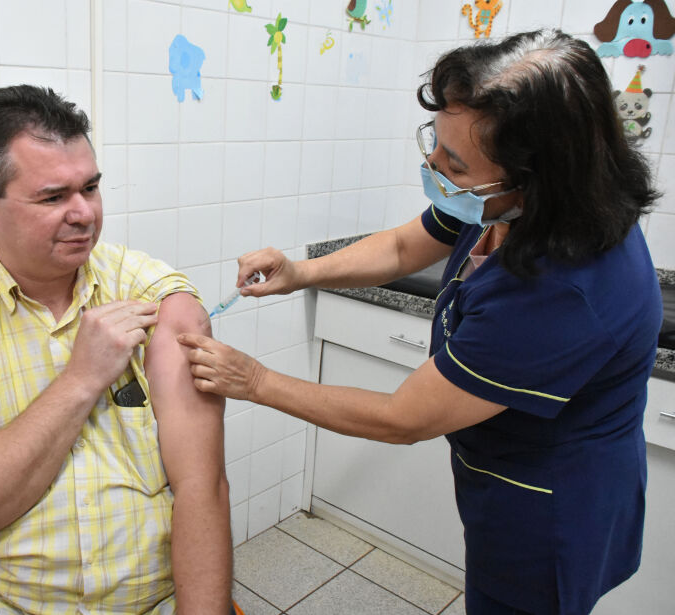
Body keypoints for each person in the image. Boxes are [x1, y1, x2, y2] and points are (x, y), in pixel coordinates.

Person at [178, 29, 663, 615]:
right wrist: (300, 271)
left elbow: (403, 418)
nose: (433, 165)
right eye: (435, 143)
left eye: (452, 163)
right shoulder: (498, 199)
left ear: (533, 178)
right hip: (504, 470)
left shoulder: (561, 290)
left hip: (552, 507)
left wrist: (254, 382)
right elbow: (406, 248)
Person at [0, 85, 233, 614]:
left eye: (90, 188)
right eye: (53, 197)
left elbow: (201, 484)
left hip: (154, 598)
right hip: (14, 600)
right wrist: (81, 379)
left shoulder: (145, 289)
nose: (84, 214)